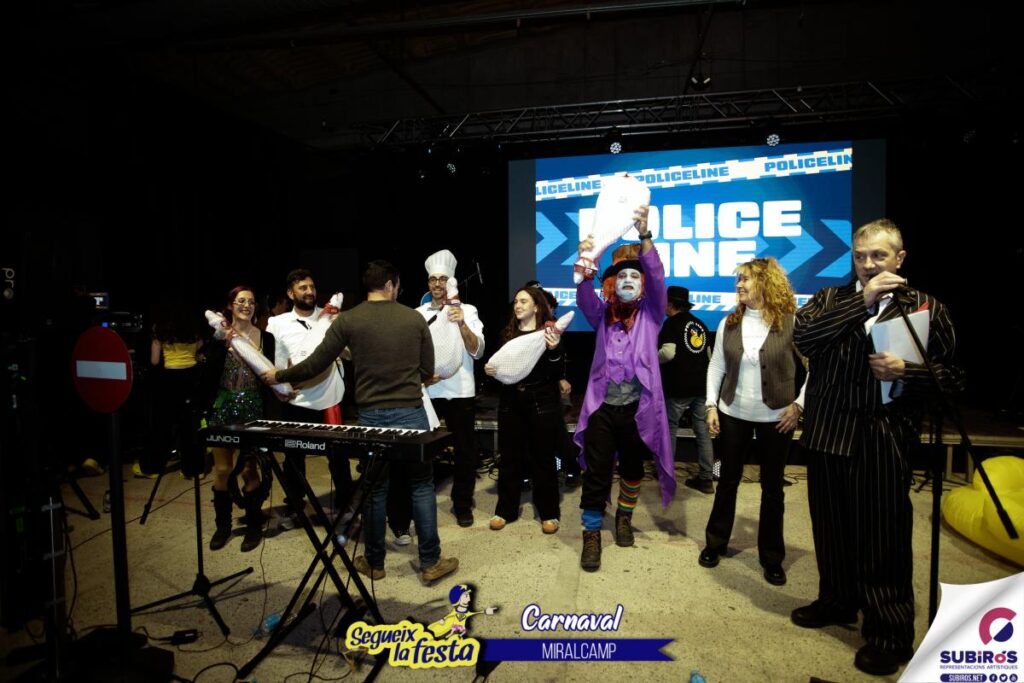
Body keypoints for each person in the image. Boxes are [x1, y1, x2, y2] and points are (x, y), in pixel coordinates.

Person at [791, 219, 963, 676]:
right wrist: (862, 301)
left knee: (883, 537)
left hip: (883, 437)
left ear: (899, 259)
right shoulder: (829, 298)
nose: (867, 264)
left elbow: (953, 379)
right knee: (831, 528)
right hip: (828, 432)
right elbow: (804, 338)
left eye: (878, 256)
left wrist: (908, 371)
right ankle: (837, 601)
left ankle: (889, 632)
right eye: (860, 255)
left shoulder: (925, 307)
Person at [265, 260, 459, 585]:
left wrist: (279, 375)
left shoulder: (349, 319)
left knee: (375, 488)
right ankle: (430, 562)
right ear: (390, 285)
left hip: (371, 416)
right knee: (421, 486)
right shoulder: (414, 318)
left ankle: (374, 562)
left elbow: (316, 362)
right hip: (411, 413)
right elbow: (427, 370)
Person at [573, 206, 676, 572]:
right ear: (611, 284)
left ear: (643, 283)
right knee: (597, 472)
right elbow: (583, 294)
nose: (628, 279)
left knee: (632, 469)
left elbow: (658, 277)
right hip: (602, 409)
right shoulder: (601, 315)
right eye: (621, 275)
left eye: (635, 275)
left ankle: (624, 518)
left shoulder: (652, 314)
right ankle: (591, 533)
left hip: (637, 409)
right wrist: (585, 262)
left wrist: (645, 237)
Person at [698, 258, 806, 587]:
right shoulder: (728, 322)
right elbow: (716, 366)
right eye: (739, 280)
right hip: (733, 415)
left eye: (745, 279)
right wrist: (711, 405)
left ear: (766, 282)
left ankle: (772, 558)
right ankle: (715, 543)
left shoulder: (792, 322)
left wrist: (799, 405)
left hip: (777, 420)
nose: (739, 285)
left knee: (772, 489)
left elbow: (815, 368)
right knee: (726, 481)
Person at [266, 268, 351, 525]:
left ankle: (345, 500)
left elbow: (350, 354)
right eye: (303, 288)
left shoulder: (331, 316)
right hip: (296, 397)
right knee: (293, 456)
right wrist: (279, 388)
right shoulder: (277, 323)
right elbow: (273, 362)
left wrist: (340, 329)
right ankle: (295, 503)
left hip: (330, 396)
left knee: (337, 454)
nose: (309, 291)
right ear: (291, 293)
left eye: (312, 287)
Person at [483, 286, 564, 534]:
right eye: (516, 301)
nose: (517, 305)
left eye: (524, 301)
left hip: (542, 402)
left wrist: (554, 351)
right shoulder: (507, 334)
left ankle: (549, 512)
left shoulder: (548, 334)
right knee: (509, 457)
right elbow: (499, 369)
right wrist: (490, 371)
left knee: (544, 458)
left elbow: (556, 373)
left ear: (536, 307)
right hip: (511, 402)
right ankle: (505, 510)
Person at [203, 286, 276, 552]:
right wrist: (219, 343)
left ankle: (254, 526)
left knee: (249, 470)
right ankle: (222, 526)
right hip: (223, 407)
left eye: (251, 302)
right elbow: (208, 372)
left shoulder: (266, 338)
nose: (247, 305)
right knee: (222, 470)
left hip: (253, 411)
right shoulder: (220, 335)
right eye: (241, 301)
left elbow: (272, 375)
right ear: (230, 305)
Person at [415, 250, 485, 528]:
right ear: (428, 283)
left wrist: (461, 323)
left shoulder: (468, 310)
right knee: (422, 450)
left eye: (443, 279)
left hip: (460, 390)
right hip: (428, 391)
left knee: (465, 450)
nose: (437, 284)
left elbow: (478, 350)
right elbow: (411, 352)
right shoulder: (418, 314)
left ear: (452, 282)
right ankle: (420, 500)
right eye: (433, 279)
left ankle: (462, 503)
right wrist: (422, 377)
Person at [658, 285, 715, 494]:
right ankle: (706, 478)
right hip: (702, 385)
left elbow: (668, 353)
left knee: (670, 428)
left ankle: (667, 476)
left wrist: (650, 359)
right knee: (702, 431)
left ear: (670, 304)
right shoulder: (700, 324)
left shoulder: (670, 324)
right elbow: (709, 357)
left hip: (679, 386)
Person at [143, 302, 204, 478]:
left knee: (163, 426)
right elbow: (199, 346)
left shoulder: (159, 329)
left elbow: (154, 360)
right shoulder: (193, 329)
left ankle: (154, 468)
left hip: (169, 380)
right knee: (190, 426)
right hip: (192, 378)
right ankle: (193, 470)